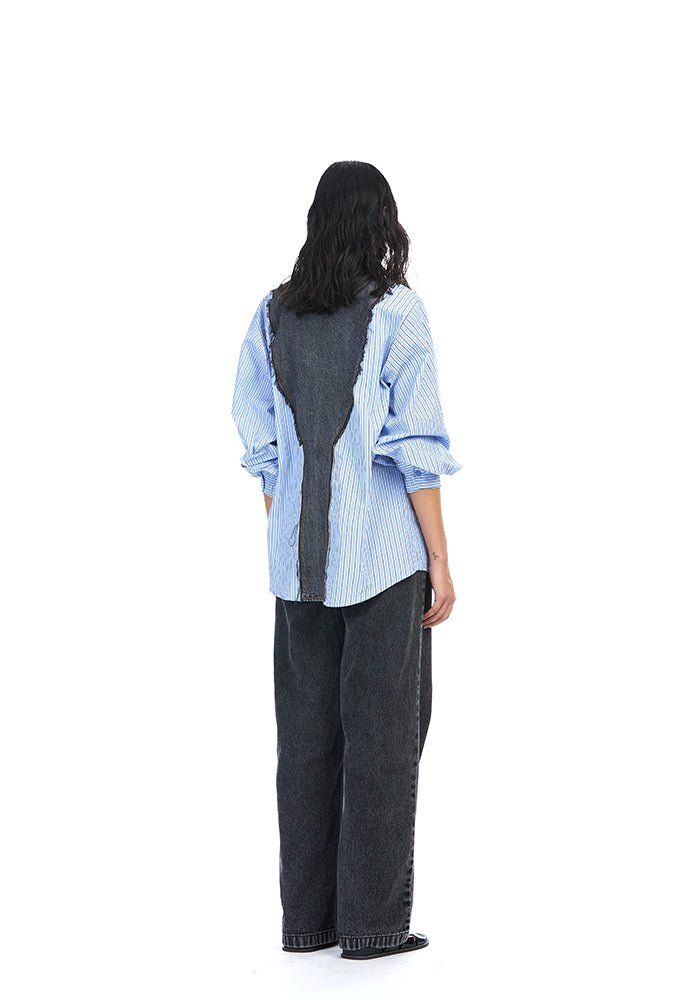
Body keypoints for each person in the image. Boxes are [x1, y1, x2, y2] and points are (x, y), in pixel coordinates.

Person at [230, 161, 461, 960]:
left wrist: (290, 525)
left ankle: (309, 925)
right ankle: (370, 928)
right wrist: (441, 559)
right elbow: (416, 447)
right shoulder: (398, 311)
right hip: (385, 562)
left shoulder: (272, 314)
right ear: (382, 223)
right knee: (384, 741)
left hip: (296, 567)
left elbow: (260, 442)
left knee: (305, 743)